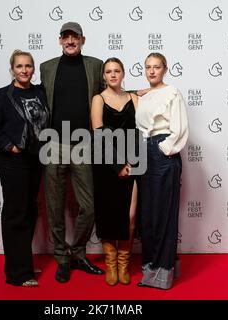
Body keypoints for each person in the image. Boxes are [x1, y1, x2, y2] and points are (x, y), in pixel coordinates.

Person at [39, 22, 105, 283]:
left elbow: (108, 94)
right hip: (54, 143)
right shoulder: (46, 68)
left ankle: (78, 252)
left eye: (74, 36)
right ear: (59, 41)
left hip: (83, 144)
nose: (70, 40)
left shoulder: (95, 65)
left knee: (88, 207)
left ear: (83, 39)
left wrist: (134, 94)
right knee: (54, 207)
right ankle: (61, 257)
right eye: (65, 36)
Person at [0, 49, 49, 286]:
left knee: (29, 211)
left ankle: (24, 263)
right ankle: (18, 274)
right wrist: (10, 147)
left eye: (28, 66)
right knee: (15, 214)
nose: (24, 70)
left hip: (36, 159)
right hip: (13, 162)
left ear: (33, 68)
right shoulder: (1, 95)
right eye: (19, 66)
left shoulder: (40, 92)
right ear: (12, 69)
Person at [135, 52, 189, 290]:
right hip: (144, 153)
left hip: (162, 152)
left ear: (165, 69)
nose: (152, 71)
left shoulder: (172, 93)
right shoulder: (144, 96)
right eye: (148, 67)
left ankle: (162, 272)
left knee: (163, 214)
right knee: (147, 214)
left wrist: (164, 149)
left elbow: (179, 128)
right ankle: (151, 267)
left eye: (156, 67)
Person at [91, 58, 138, 286]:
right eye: (108, 71)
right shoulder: (98, 99)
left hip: (132, 163)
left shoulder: (134, 98)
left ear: (123, 73)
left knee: (129, 217)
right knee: (108, 215)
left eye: (116, 70)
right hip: (106, 166)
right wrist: (118, 165)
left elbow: (140, 131)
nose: (112, 75)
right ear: (103, 75)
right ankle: (111, 264)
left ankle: (124, 262)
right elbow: (99, 135)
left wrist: (131, 163)